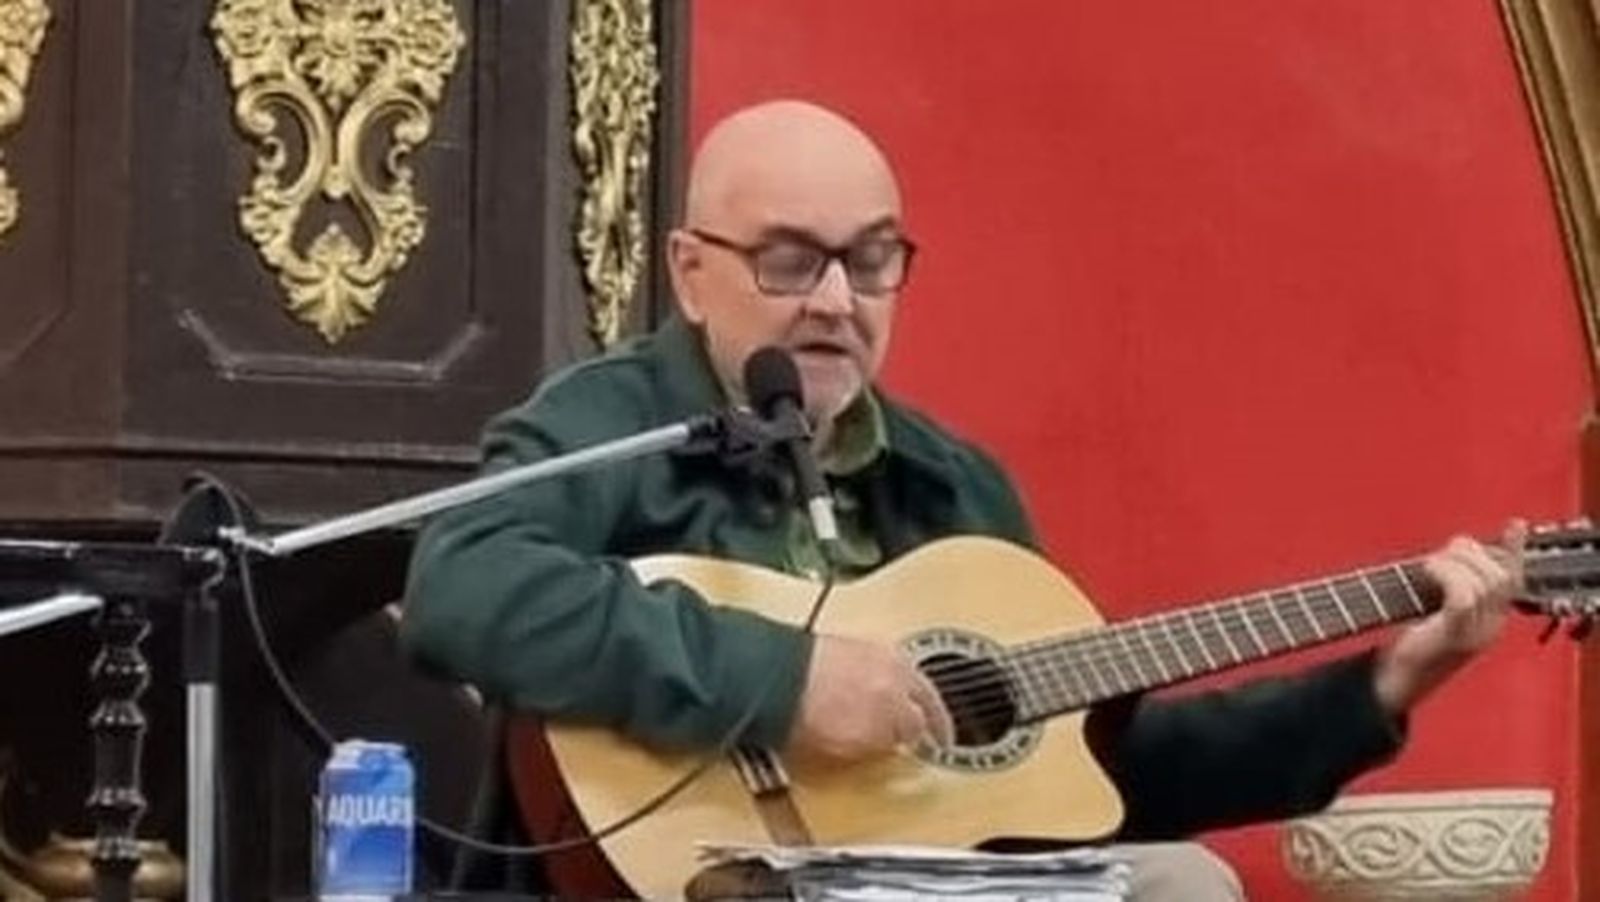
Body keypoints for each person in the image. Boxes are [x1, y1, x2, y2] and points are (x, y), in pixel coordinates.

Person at [402, 100, 1523, 900]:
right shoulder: (614, 418)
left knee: (1185, 883)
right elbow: (463, 582)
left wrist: (1381, 684)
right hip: (696, 876)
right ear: (692, 269)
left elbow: (1090, 781)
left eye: (872, 260)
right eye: (792, 260)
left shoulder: (954, 484)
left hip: (926, 886)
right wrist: (783, 679)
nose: (838, 301)